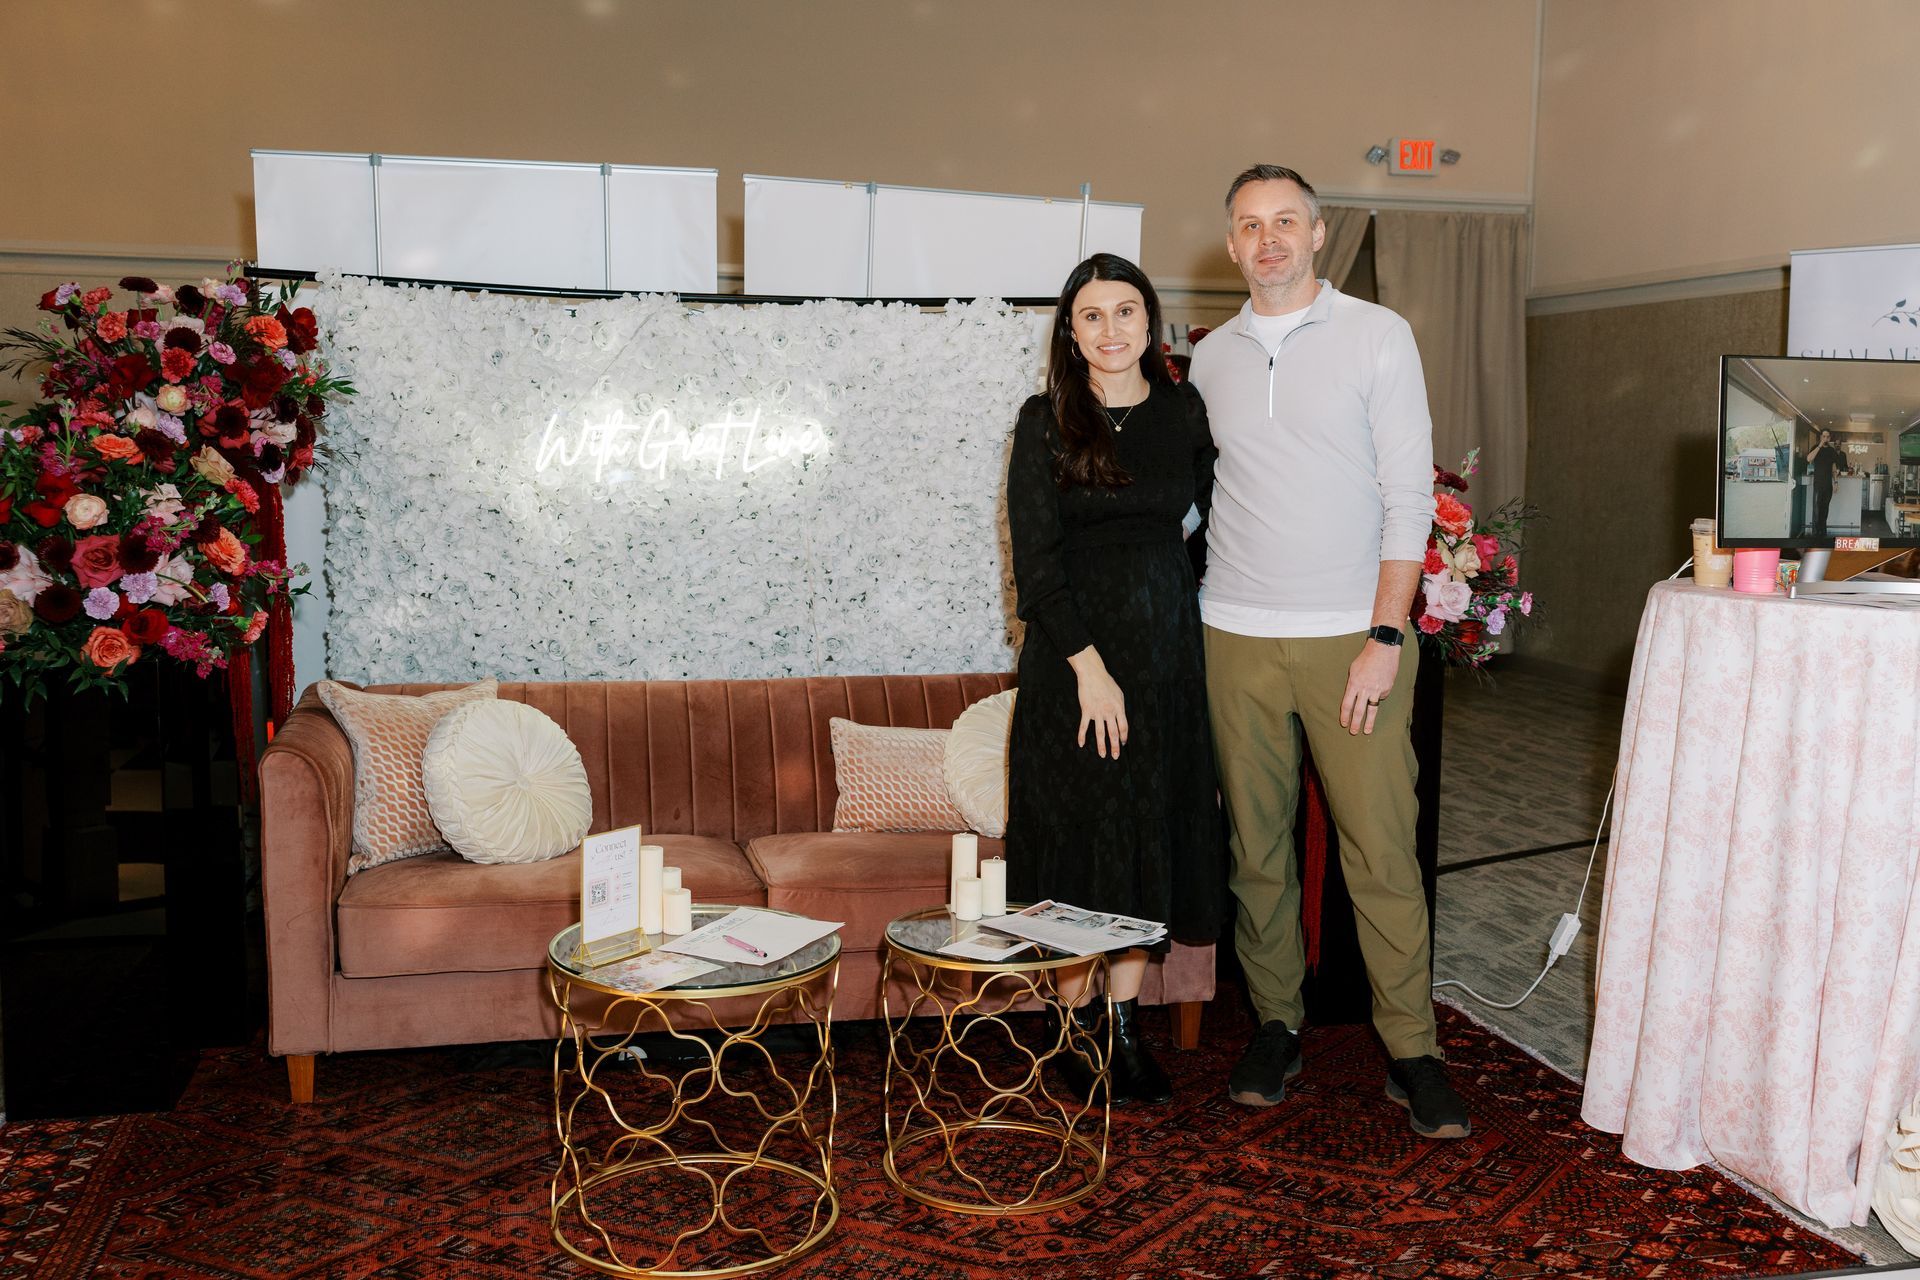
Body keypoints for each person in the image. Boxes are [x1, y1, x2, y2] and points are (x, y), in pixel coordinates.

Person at [1188, 164, 1470, 1139]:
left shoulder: (1377, 336)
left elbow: (1407, 502)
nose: (1267, 239)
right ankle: (1275, 1021)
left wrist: (1386, 636)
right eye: (1248, 224)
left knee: (1381, 846)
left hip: (1352, 636)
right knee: (1255, 847)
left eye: (1286, 222)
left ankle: (1412, 1047)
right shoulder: (1208, 357)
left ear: (1316, 234)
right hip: (1232, 631)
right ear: (1230, 243)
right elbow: (1195, 501)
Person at [1004, 252, 1228, 1106]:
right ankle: (1074, 1029)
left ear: (1151, 321)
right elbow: (1037, 565)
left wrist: (1183, 611)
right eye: (1091, 315)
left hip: (1166, 660)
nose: (1110, 330)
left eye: (1125, 312)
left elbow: (1209, 525)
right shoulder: (1044, 421)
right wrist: (1090, 671)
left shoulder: (1183, 411)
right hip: (1075, 666)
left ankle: (1125, 1028)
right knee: (1083, 837)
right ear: (1070, 329)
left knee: (1145, 834)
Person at [1807, 429, 1844, 539]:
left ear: (1829, 438)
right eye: (1824, 436)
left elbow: (1833, 467)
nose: (1826, 438)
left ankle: (1822, 534)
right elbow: (1809, 459)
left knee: (1825, 510)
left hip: (1828, 485)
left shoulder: (1831, 451)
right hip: (1818, 484)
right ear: (1821, 437)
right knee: (1817, 511)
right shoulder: (1815, 448)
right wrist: (1819, 446)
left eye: (1827, 437)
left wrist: (1836, 482)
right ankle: (1815, 535)